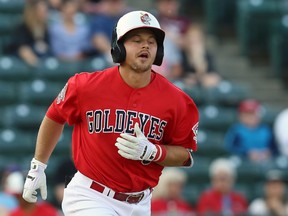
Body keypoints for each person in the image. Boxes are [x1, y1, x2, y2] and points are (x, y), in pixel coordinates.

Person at [22, 10, 199, 216]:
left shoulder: (177, 100)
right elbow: (54, 116)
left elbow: (184, 154)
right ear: (118, 46)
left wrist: (153, 152)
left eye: (152, 41)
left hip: (141, 203)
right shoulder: (86, 86)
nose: (145, 46)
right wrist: (38, 166)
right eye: (136, 39)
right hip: (90, 195)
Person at [224, 99, 276, 165]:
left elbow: (274, 148)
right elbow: (230, 148)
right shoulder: (236, 130)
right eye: (247, 114)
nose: (251, 117)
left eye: (253, 114)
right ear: (241, 116)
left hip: (265, 162)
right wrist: (246, 153)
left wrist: (268, 153)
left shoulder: (266, 130)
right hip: (243, 163)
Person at [9, 0, 52, 66]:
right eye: (42, 11)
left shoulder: (45, 28)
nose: (45, 14)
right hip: (21, 62)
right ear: (34, 11)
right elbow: (21, 49)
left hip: (41, 59)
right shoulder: (23, 27)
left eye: (46, 11)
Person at [181, 24, 221, 88]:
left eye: (196, 39)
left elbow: (212, 76)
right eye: (190, 38)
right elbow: (182, 76)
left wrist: (198, 57)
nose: (193, 41)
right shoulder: (182, 54)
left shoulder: (208, 55)